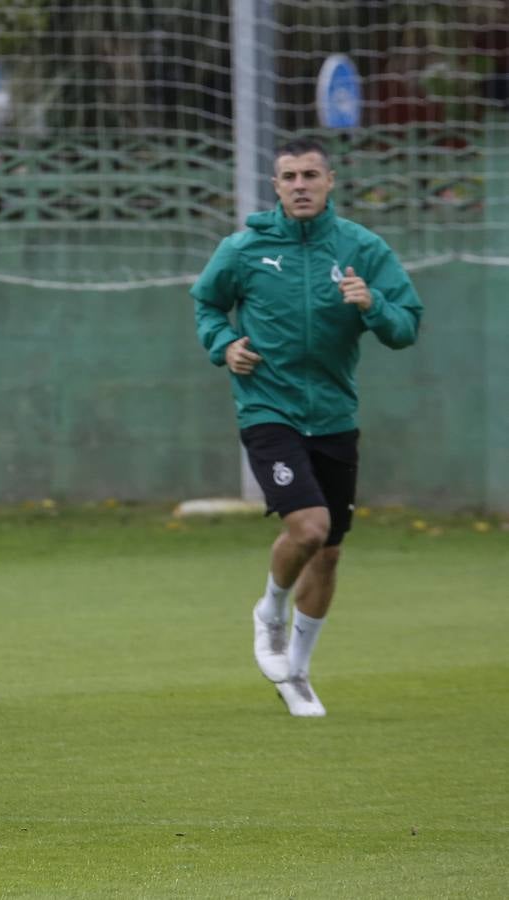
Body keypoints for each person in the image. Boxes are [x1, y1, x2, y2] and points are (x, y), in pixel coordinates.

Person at [193, 137, 422, 717]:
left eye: (310, 175)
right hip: (269, 409)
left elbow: (405, 327)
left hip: (335, 416)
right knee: (311, 528)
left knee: (330, 554)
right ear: (275, 185)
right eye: (289, 176)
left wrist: (371, 304)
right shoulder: (245, 248)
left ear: (330, 181)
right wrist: (225, 346)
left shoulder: (361, 249)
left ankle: (296, 673)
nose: (300, 184)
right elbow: (207, 306)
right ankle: (270, 610)